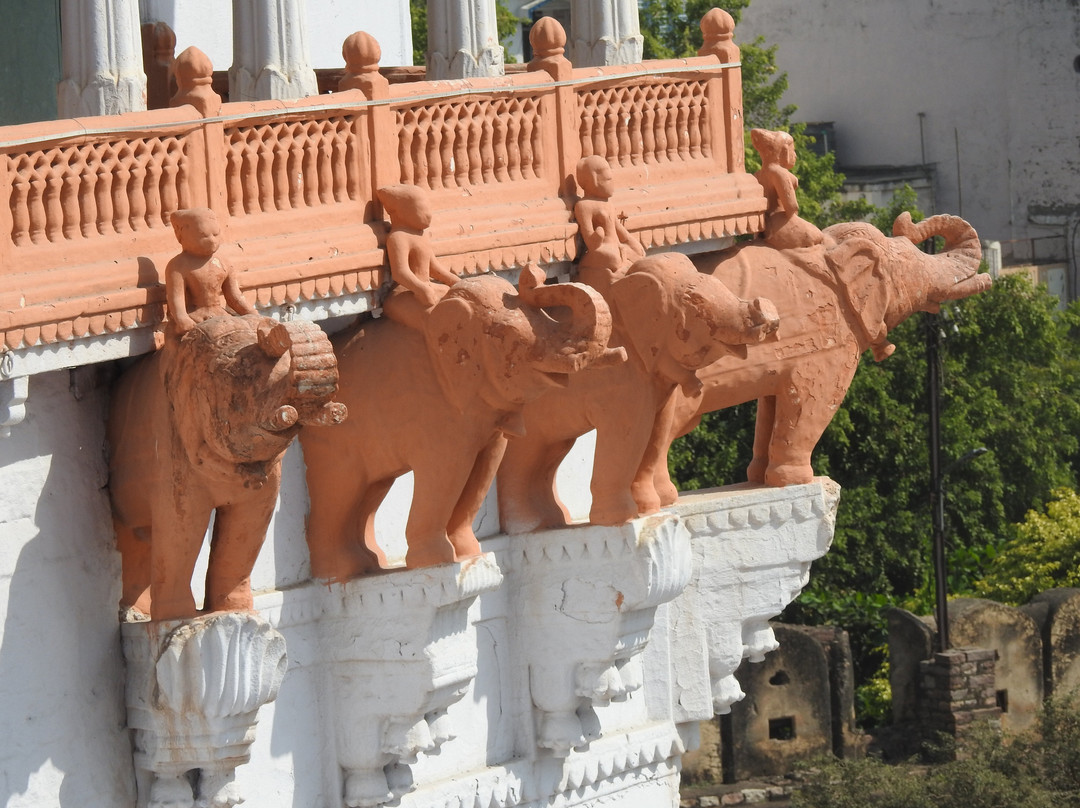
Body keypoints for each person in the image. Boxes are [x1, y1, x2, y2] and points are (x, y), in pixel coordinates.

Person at [377, 184, 459, 330]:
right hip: (407, 291)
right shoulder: (398, 237)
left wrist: (455, 281)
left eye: (428, 208)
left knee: (457, 299)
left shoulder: (422, 235)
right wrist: (421, 289)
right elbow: (400, 272)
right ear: (399, 212)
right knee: (435, 319)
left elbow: (433, 267)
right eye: (420, 208)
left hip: (426, 286)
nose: (428, 214)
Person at [165, 207, 255, 336]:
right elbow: (176, 301)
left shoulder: (224, 262)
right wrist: (183, 320)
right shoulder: (178, 266)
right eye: (203, 235)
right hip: (194, 317)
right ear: (181, 235)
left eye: (216, 234)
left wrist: (252, 314)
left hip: (220, 316)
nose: (212, 240)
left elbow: (234, 297)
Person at [573, 155, 645, 293]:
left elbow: (618, 229)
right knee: (613, 259)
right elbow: (591, 243)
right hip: (602, 248)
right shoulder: (584, 206)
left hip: (616, 246)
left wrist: (631, 242)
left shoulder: (609, 204)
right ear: (593, 181)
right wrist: (598, 235)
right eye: (607, 180)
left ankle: (623, 263)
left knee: (639, 251)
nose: (612, 185)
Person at [750, 128, 823, 250]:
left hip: (763, 226)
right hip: (781, 223)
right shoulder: (779, 173)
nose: (795, 155)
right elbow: (791, 206)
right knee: (820, 238)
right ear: (784, 152)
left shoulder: (758, 174)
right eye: (793, 150)